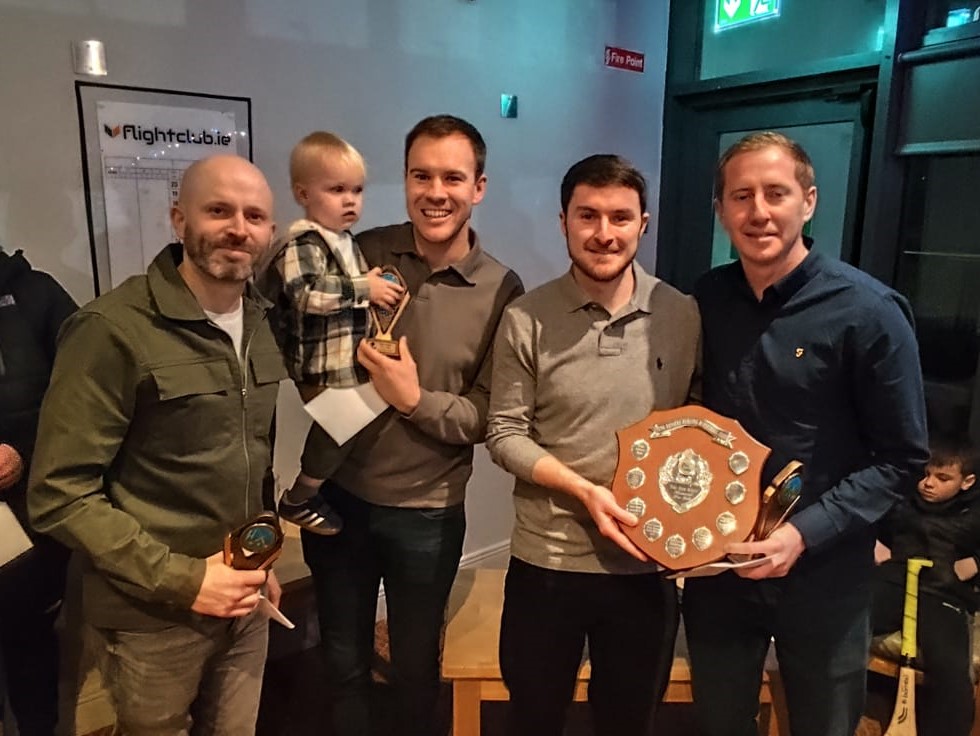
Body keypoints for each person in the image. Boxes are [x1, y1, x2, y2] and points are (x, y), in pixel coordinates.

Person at [28, 155, 288, 735]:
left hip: (245, 596)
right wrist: (187, 581)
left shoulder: (264, 322)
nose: (238, 228)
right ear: (178, 219)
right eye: (218, 210)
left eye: (255, 216)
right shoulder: (112, 329)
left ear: (270, 233)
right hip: (153, 617)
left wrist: (259, 553)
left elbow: (251, 454)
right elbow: (58, 494)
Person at [682, 131, 929, 736]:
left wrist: (802, 534)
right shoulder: (704, 299)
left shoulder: (869, 311)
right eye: (741, 196)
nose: (758, 211)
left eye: (776, 193)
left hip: (824, 571)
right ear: (720, 210)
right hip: (721, 569)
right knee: (718, 722)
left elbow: (901, 458)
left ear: (809, 201)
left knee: (823, 724)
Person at [299, 114, 524, 736]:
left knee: (417, 664)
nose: (436, 191)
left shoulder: (503, 288)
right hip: (337, 497)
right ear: (404, 180)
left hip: (427, 510)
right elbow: (298, 329)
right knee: (341, 655)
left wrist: (412, 399)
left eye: (453, 177)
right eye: (420, 175)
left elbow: (488, 414)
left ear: (478, 187)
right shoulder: (361, 253)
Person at [485, 154, 700, 736]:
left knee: (629, 721)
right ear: (563, 222)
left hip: (646, 565)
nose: (604, 233)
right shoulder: (525, 317)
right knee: (534, 716)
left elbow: (697, 431)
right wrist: (582, 489)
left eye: (620, 217)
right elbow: (503, 433)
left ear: (643, 223)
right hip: (547, 561)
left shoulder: (682, 314)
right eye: (588, 216)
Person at [258, 131, 404, 535]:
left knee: (357, 418)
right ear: (303, 193)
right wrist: (364, 288)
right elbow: (308, 294)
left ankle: (308, 491)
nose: (350, 200)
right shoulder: (302, 242)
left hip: (343, 356)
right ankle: (301, 496)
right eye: (337, 189)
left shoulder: (342, 240)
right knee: (344, 423)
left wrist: (367, 282)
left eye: (357, 190)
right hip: (319, 362)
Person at [0, 246, 77, 736]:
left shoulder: (37, 293)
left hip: (30, 521)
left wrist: (22, 452)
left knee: (31, 651)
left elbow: (82, 399)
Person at [873, 438, 980, 736]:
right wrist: (875, 545)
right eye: (925, 474)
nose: (928, 483)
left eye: (942, 478)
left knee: (950, 672)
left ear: (967, 481)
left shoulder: (974, 512)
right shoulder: (902, 500)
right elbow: (870, 523)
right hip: (894, 580)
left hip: (942, 592)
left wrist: (975, 563)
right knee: (843, 628)